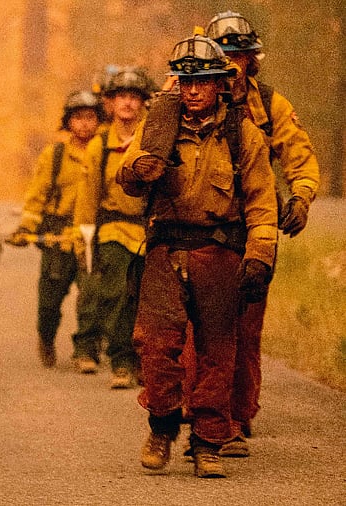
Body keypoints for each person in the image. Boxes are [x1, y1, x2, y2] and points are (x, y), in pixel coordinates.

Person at [119, 34, 277, 478]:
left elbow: (263, 202)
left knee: (217, 351)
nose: (192, 91)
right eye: (186, 81)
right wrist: (139, 170)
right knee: (155, 344)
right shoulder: (158, 126)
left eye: (203, 82)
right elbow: (126, 179)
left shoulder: (241, 134)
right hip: (166, 250)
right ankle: (163, 424)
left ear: (220, 85)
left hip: (220, 251)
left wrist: (260, 255)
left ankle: (208, 441)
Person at [204, 10, 321, 457]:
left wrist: (302, 196)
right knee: (200, 327)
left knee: (245, 328)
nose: (233, 63)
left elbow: (299, 156)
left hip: (254, 228)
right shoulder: (185, 98)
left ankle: (236, 413)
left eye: (240, 54)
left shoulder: (271, 104)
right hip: (202, 227)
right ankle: (204, 413)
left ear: (252, 59)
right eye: (224, 54)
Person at [7, 90, 104, 368]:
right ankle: (46, 337)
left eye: (90, 117)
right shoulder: (55, 155)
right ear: (68, 121)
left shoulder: (105, 152)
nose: (85, 124)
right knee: (49, 301)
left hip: (91, 236)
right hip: (57, 237)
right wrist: (26, 226)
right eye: (78, 118)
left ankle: (86, 351)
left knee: (92, 296)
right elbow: (37, 193)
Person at [72, 67, 154, 387]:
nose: (128, 104)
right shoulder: (99, 145)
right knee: (116, 294)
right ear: (110, 102)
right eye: (122, 96)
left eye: (135, 97)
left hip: (148, 231)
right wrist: (83, 237)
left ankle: (145, 362)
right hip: (112, 229)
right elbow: (87, 195)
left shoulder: (153, 138)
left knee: (147, 300)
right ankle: (121, 361)